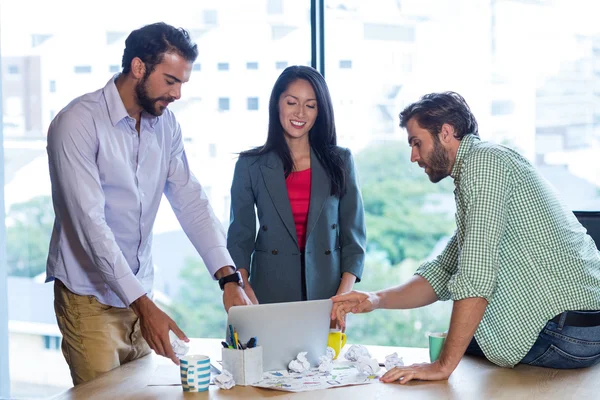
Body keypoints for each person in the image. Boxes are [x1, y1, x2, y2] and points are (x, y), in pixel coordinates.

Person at [331, 91, 600, 384]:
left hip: (567, 335)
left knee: (449, 346)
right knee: (452, 338)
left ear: (446, 132)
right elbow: (443, 271)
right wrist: (374, 298)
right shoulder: (483, 166)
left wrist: (444, 366)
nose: (413, 156)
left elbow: (476, 274)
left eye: (416, 142)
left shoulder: (483, 164)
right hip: (579, 331)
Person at [46, 22, 252, 385]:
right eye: (171, 81)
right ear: (139, 67)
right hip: (89, 301)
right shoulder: (77, 123)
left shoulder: (166, 125)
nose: (177, 94)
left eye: (182, 84)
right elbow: (91, 227)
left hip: (141, 295)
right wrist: (145, 306)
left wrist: (228, 277)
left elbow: (191, 201)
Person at [227, 65, 366, 306]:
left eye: (310, 105)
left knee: (326, 347)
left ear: (319, 111)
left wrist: (342, 296)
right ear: (277, 103)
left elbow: (354, 238)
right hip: (266, 293)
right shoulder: (250, 165)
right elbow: (240, 237)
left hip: (329, 295)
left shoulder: (340, 160)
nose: (300, 113)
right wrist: (243, 288)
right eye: (292, 102)